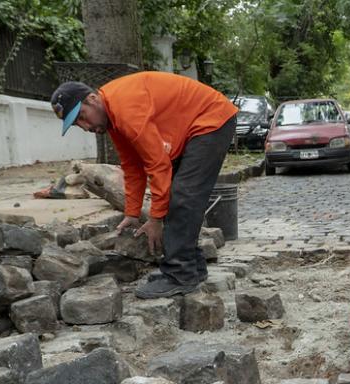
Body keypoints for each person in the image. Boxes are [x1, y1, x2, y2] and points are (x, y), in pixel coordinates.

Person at [50, 72, 238, 299]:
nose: (84, 126)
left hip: (212, 120)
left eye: (81, 117)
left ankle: (180, 274)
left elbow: (158, 166)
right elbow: (132, 166)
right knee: (175, 196)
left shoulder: (125, 109)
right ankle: (192, 267)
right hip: (194, 126)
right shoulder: (114, 120)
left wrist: (156, 219)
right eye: (76, 124)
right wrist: (132, 211)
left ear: (92, 100)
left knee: (182, 195)